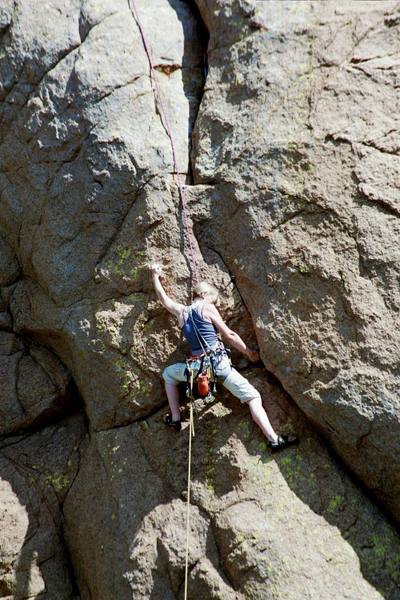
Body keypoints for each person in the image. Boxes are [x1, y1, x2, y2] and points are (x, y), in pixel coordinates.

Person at [151, 264, 298, 452]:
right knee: (253, 397)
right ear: (204, 295)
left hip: (196, 371)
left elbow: (164, 299)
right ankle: (273, 439)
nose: (215, 304)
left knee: (168, 374)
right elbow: (229, 335)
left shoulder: (182, 312)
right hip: (219, 366)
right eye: (214, 299)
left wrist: (155, 276)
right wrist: (249, 352)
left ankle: (175, 418)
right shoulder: (206, 307)